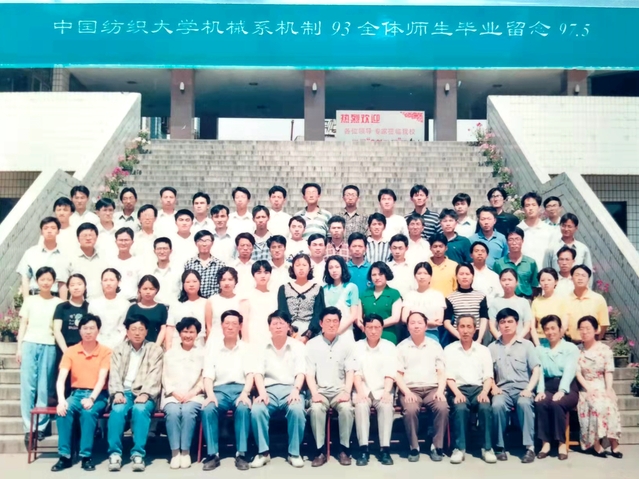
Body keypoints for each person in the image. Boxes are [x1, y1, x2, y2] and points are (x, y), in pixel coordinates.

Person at [51, 314, 111, 472]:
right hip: (76, 394)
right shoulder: (71, 351)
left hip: (98, 395)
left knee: (88, 412)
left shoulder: (105, 352)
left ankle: (86, 456)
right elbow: (61, 379)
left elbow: (102, 379)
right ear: (79, 330)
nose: (88, 332)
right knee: (63, 412)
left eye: (92, 328)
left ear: (98, 330)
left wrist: (91, 398)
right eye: (85, 328)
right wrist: (61, 400)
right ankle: (65, 456)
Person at [249, 311, 307, 469]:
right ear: (269, 327)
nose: (278, 327)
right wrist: (262, 392)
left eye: (282, 323)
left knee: (297, 410)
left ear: (288, 326)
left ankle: (294, 453)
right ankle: (263, 453)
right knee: (257, 410)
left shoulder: (298, 346)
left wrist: (296, 390)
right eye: (274, 324)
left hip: (291, 388)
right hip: (268, 390)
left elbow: (301, 372)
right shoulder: (261, 346)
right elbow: (258, 373)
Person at [106, 315, 164, 472]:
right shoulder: (119, 349)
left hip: (145, 392)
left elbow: (155, 375)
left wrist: (146, 394)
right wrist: (117, 393)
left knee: (140, 409)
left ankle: (138, 453)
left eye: (141, 329)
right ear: (127, 332)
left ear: (146, 331)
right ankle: (115, 454)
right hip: (123, 391)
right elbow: (114, 374)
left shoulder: (155, 349)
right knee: (117, 410)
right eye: (133, 329)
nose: (137, 333)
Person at [201, 310, 253, 471]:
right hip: (219, 390)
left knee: (243, 408)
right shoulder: (213, 348)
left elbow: (250, 374)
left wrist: (245, 393)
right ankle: (213, 454)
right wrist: (210, 395)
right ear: (222, 325)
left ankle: (241, 454)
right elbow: (207, 375)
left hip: (240, 389)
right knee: (208, 409)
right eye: (227, 323)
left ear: (240, 326)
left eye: (234, 324)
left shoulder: (246, 348)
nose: (230, 327)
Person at [16, 266, 62, 445]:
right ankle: (28, 428)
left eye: (49, 279)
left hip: (49, 345)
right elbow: (23, 325)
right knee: (28, 387)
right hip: (29, 343)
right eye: (42, 279)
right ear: (36, 281)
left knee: (44, 387)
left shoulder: (58, 302)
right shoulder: (30, 300)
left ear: (54, 282)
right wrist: (19, 348)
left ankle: (41, 426)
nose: (45, 282)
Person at [306, 307, 356, 467]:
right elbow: (309, 373)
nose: (332, 324)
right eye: (328, 321)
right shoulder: (312, 345)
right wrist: (314, 393)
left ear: (339, 323)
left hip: (339, 391)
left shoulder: (347, 344)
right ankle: (319, 451)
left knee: (347, 409)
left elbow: (350, 371)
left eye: (335, 321)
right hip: (320, 391)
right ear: (321, 323)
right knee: (316, 409)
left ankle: (344, 449)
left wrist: (347, 392)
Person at [395, 312, 449, 463]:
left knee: (442, 407)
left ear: (426, 326)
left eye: (420, 323)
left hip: (432, 389)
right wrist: (406, 392)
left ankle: (437, 446)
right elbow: (398, 374)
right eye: (412, 323)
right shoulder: (401, 347)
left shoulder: (435, 346)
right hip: (411, 389)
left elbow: (441, 372)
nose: (416, 326)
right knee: (410, 409)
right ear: (407, 326)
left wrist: (440, 391)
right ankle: (414, 447)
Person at [489, 308, 540, 464]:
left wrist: (529, 389)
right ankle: (499, 446)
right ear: (498, 325)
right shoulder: (492, 347)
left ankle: (529, 447)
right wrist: (493, 387)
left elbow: (536, 370)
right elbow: (488, 373)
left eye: (510, 321)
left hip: (522, 389)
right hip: (502, 389)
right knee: (497, 405)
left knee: (524, 404)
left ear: (517, 324)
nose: (506, 325)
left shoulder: (527, 345)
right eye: (502, 322)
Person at [444, 315, 496, 464]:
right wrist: (457, 393)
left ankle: (487, 448)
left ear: (475, 329)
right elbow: (448, 376)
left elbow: (488, 376)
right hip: (458, 388)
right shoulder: (450, 349)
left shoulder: (483, 350)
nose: (465, 330)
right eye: (462, 326)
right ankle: (459, 448)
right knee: (460, 407)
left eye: (469, 327)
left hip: (479, 389)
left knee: (485, 407)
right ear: (457, 328)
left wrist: (485, 392)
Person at [352, 314, 397, 466]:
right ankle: (363, 449)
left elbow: (390, 372)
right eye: (370, 327)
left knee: (386, 406)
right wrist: (360, 392)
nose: (373, 331)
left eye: (377, 327)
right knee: (361, 406)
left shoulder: (389, 347)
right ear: (364, 328)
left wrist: (387, 391)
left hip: (383, 389)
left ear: (382, 328)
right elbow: (356, 372)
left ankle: (385, 449)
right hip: (362, 388)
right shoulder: (357, 346)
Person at [575, 316, 622, 458]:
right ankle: (596, 444)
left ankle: (614, 443)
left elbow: (608, 371)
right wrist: (588, 388)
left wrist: (608, 389)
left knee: (609, 404)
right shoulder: (577, 350)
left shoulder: (605, 349)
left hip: (602, 384)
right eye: (581, 329)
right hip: (586, 386)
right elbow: (578, 373)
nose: (584, 332)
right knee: (594, 405)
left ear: (596, 330)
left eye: (588, 328)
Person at [534, 314, 580, 460]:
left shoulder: (570, 348)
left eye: (553, 328)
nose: (550, 332)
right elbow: (539, 371)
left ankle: (561, 443)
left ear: (560, 329)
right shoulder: (540, 349)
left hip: (567, 385)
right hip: (548, 385)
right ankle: (545, 443)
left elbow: (569, 370)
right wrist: (540, 390)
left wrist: (562, 390)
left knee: (557, 403)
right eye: (546, 329)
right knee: (541, 403)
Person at [162, 317, 205, 469]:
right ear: (179, 333)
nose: (188, 335)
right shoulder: (170, 354)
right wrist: (174, 392)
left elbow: (204, 377)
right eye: (185, 332)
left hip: (195, 395)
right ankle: (175, 453)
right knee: (173, 412)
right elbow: (164, 376)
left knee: (188, 411)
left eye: (191, 332)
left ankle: (185, 452)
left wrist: (192, 393)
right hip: (172, 395)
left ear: (197, 334)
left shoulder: (203, 353)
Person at [17, 216, 70, 300]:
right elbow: (25, 278)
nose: (49, 231)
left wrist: (63, 305)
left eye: (53, 228)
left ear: (58, 231)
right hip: (34, 297)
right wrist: (26, 302)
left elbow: (64, 282)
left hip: (56, 298)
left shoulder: (65, 254)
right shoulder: (31, 253)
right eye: (45, 228)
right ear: (41, 232)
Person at [277, 253, 326, 342]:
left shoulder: (318, 289)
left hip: (311, 332)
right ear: (292, 268)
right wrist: (292, 333)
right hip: (288, 332)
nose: (301, 268)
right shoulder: (284, 288)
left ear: (310, 268)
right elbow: (282, 311)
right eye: (297, 265)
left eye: (304, 265)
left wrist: (307, 336)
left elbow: (319, 314)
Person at [443, 263, 489, 346]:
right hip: (457, 337)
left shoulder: (481, 296)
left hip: (476, 337)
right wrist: (460, 337)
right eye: (461, 274)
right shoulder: (450, 297)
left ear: (472, 276)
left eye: (467, 274)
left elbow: (484, 319)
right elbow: (447, 322)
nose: (464, 277)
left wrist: (479, 339)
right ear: (456, 276)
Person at [401, 262, 446, 341]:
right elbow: (404, 318)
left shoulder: (438, 295)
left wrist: (415, 322)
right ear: (415, 276)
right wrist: (428, 322)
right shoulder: (409, 295)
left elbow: (439, 320)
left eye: (425, 273)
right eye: (419, 273)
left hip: (432, 333)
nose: (422, 277)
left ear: (430, 276)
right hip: (412, 333)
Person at [360, 262, 402, 344]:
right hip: (367, 336)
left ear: (386, 275)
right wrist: (365, 327)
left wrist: (374, 326)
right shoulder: (365, 293)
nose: (377, 277)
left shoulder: (394, 293)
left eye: (380, 274)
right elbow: (359, 317)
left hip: (387, 335)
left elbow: (395, 318)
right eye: (374, 275)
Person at [565, 265, 609, 342]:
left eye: (583, 275)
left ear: (588, 279)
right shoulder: (565, 300)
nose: (580, 278)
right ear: (571, 278)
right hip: (570, 342)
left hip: (591, 342)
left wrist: (596, 341)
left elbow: (604, 324)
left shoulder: (598, 299)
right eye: (577, 275)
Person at [167, 270, 210, 349]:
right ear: (183, 284)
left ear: (200, 283)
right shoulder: (176, 303)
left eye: (194, 281)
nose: (191, 285)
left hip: (199, 345)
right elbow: (170, 328)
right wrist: (168, 349)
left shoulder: (206, 303)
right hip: (177, 345)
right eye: (187, 282)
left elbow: (209, 327)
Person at [493, 228, 539, 300]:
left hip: (526, 299)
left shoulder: (531, 263)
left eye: (517, 239)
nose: (514, 243)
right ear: (507, 242)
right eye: (511, 239)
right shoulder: (499, 263)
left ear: (522, 241)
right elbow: (494, 284)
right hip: (505, 299)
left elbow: (534, 285)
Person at [89, 268, 129, 350]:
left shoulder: (125, 304)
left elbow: (125, 327)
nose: (108, 283)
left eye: (112, 280)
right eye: (105, 280)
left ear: (118, 282)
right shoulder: (93, 303)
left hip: (120, 344)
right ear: (101, 283)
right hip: (98, 344)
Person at [488, 269, 533, 341]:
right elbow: (492, 327)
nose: (507, 283)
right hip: (501, 342)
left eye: (510, 279)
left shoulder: (524, 302)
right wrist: (501, 341)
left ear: (516, 282)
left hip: (520, 341)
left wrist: (517, 340)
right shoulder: (495, 302)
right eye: (504, 280)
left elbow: (527, 326)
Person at [239, 261, 278, 345]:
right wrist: (246, 342)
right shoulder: (247, 296)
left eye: (266, 272)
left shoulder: (275, 296)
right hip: (253, 337)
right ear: (253, 275)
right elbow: (244, 321)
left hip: (271, 337)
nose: (263, 276)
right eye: (259, 273)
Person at [323, 256, 360, 341]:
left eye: (337, 267)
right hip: (327, 333)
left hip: (345, 332)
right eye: (331, 268)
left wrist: (338, 331)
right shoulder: (324, 289)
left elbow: (353, 315)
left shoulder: (352, 287)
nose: (334, 270)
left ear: (342, 268)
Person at [125, 275, 168, 345]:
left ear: (156, 290)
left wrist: (156, 346)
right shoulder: (133, 308)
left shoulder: (161, 308)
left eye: (151, 289)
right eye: (145, 289)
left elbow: (163, 328)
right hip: (135, 346)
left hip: (155, 345)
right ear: (139, 289)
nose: (148, 292)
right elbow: (127, 328)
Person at [518, 192, 556, 270]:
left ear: (539, 208)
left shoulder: (549, 230)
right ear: (523, 209)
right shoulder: (517, 230)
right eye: (527, 205)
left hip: (545, 274)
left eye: (533, 205)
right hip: (523, 274)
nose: (530, 208)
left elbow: (554, 256)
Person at [70, 222, 108, 300]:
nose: (88, 238)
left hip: (101, 301)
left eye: (91, 235)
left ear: (96, 237)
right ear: (78, 238)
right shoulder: (71, 258)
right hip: (79, 302)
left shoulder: (104, 257)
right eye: (84, 236)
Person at [184, 230, 226, 299]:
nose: (204, 244)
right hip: (195, 301)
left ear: (212, 243)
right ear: (196, 243)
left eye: (207, 241)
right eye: (201, 241)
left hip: (214, 302)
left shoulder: (220, 265)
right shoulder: (189, 264)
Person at [531, 268, 567, 346]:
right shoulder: (536, 302)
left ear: (556, 281)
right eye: (542, 280)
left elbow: (564, 324)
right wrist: (538, 345)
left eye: (549, 280)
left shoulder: (562, 300)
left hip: (558, 340)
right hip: (540, 340)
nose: (546, 283)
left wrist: (555, 342)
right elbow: (532, 327)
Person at [53, 273, 89, 351]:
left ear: (85, 287)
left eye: (79, 284)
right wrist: (66, 351)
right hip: (64, 350)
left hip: (85, 350)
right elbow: (56, 330)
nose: (76, 288)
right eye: (72, 285)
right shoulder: (61, 307)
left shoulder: (90, 307)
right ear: (68, 288)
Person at [143, 237, 181, 306]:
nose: (162, 252)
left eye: (165, 249)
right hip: (154, 308)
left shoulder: (178, 271)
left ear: (171, 251)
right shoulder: (148, 272)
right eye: (159, 249)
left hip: (174, 308)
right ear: (154, 251)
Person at [207, 266, 241, 342]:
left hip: (235, 341)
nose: (226, 283)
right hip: (215, 339)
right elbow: (209, 326)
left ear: (235, 281)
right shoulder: (212, 300)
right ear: (219, 282)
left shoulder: (240, 300)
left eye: (230, 279)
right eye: (223, 280)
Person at [110, 227, 143, 301]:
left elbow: (142, 286)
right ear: (116, 242)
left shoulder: (138, 262)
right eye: (120, 240)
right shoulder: (110, 262)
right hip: (114, 301)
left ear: (132, 242)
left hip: (132, 302)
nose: (123, 243)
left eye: (126, 240)